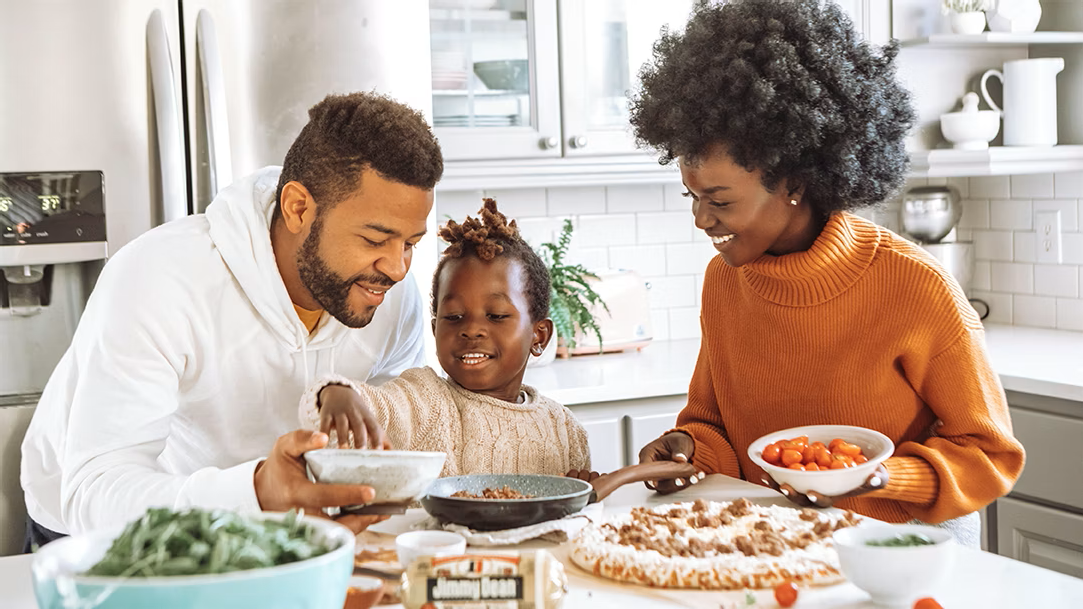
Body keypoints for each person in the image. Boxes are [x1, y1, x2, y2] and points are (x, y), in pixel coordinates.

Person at [633, 0, 1024, 547]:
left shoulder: (913, 286)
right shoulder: (725, 282)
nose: (700, 219)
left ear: (793, 181)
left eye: (718, 200)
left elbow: (988, 454)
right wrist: (684, 448)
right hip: (777, 535)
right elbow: (713, 426)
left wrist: (875, 476)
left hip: (903, 542)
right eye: (691, 196)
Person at [20, 91, 443, 549]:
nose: (398, 268)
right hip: (104, 540)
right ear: (298, 208)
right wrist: (257, 491)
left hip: (275, 533)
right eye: (375, 239)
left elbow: (386, 429)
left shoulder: (389, 297)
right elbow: (93, 492)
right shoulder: (159, 279)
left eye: (411, 243)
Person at [299, 199, 592, 478]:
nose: (472, 330)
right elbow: (370, 408)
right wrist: (334, 393)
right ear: (436, 327)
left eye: (496, 316)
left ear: (538, 336)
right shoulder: (424, 401)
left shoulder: (565, 430)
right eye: (453, 317)